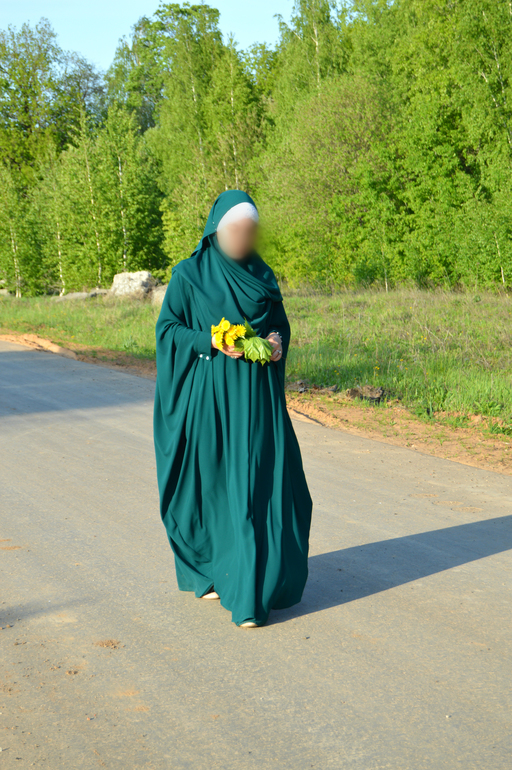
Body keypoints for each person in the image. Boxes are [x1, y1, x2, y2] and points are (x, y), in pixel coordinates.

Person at [153, 190, 312, 628]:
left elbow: (278, 325)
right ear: (217, 230)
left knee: (259, 485)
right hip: (210, 401)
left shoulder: (263, 274)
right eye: (236, 229)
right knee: (214, 488)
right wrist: (209, 340)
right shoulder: (189, 274)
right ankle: (215, 573)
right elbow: (168, 330)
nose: (243, 237)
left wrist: (276, 342)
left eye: (250, 230)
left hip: (258, 400)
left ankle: (252, 591)